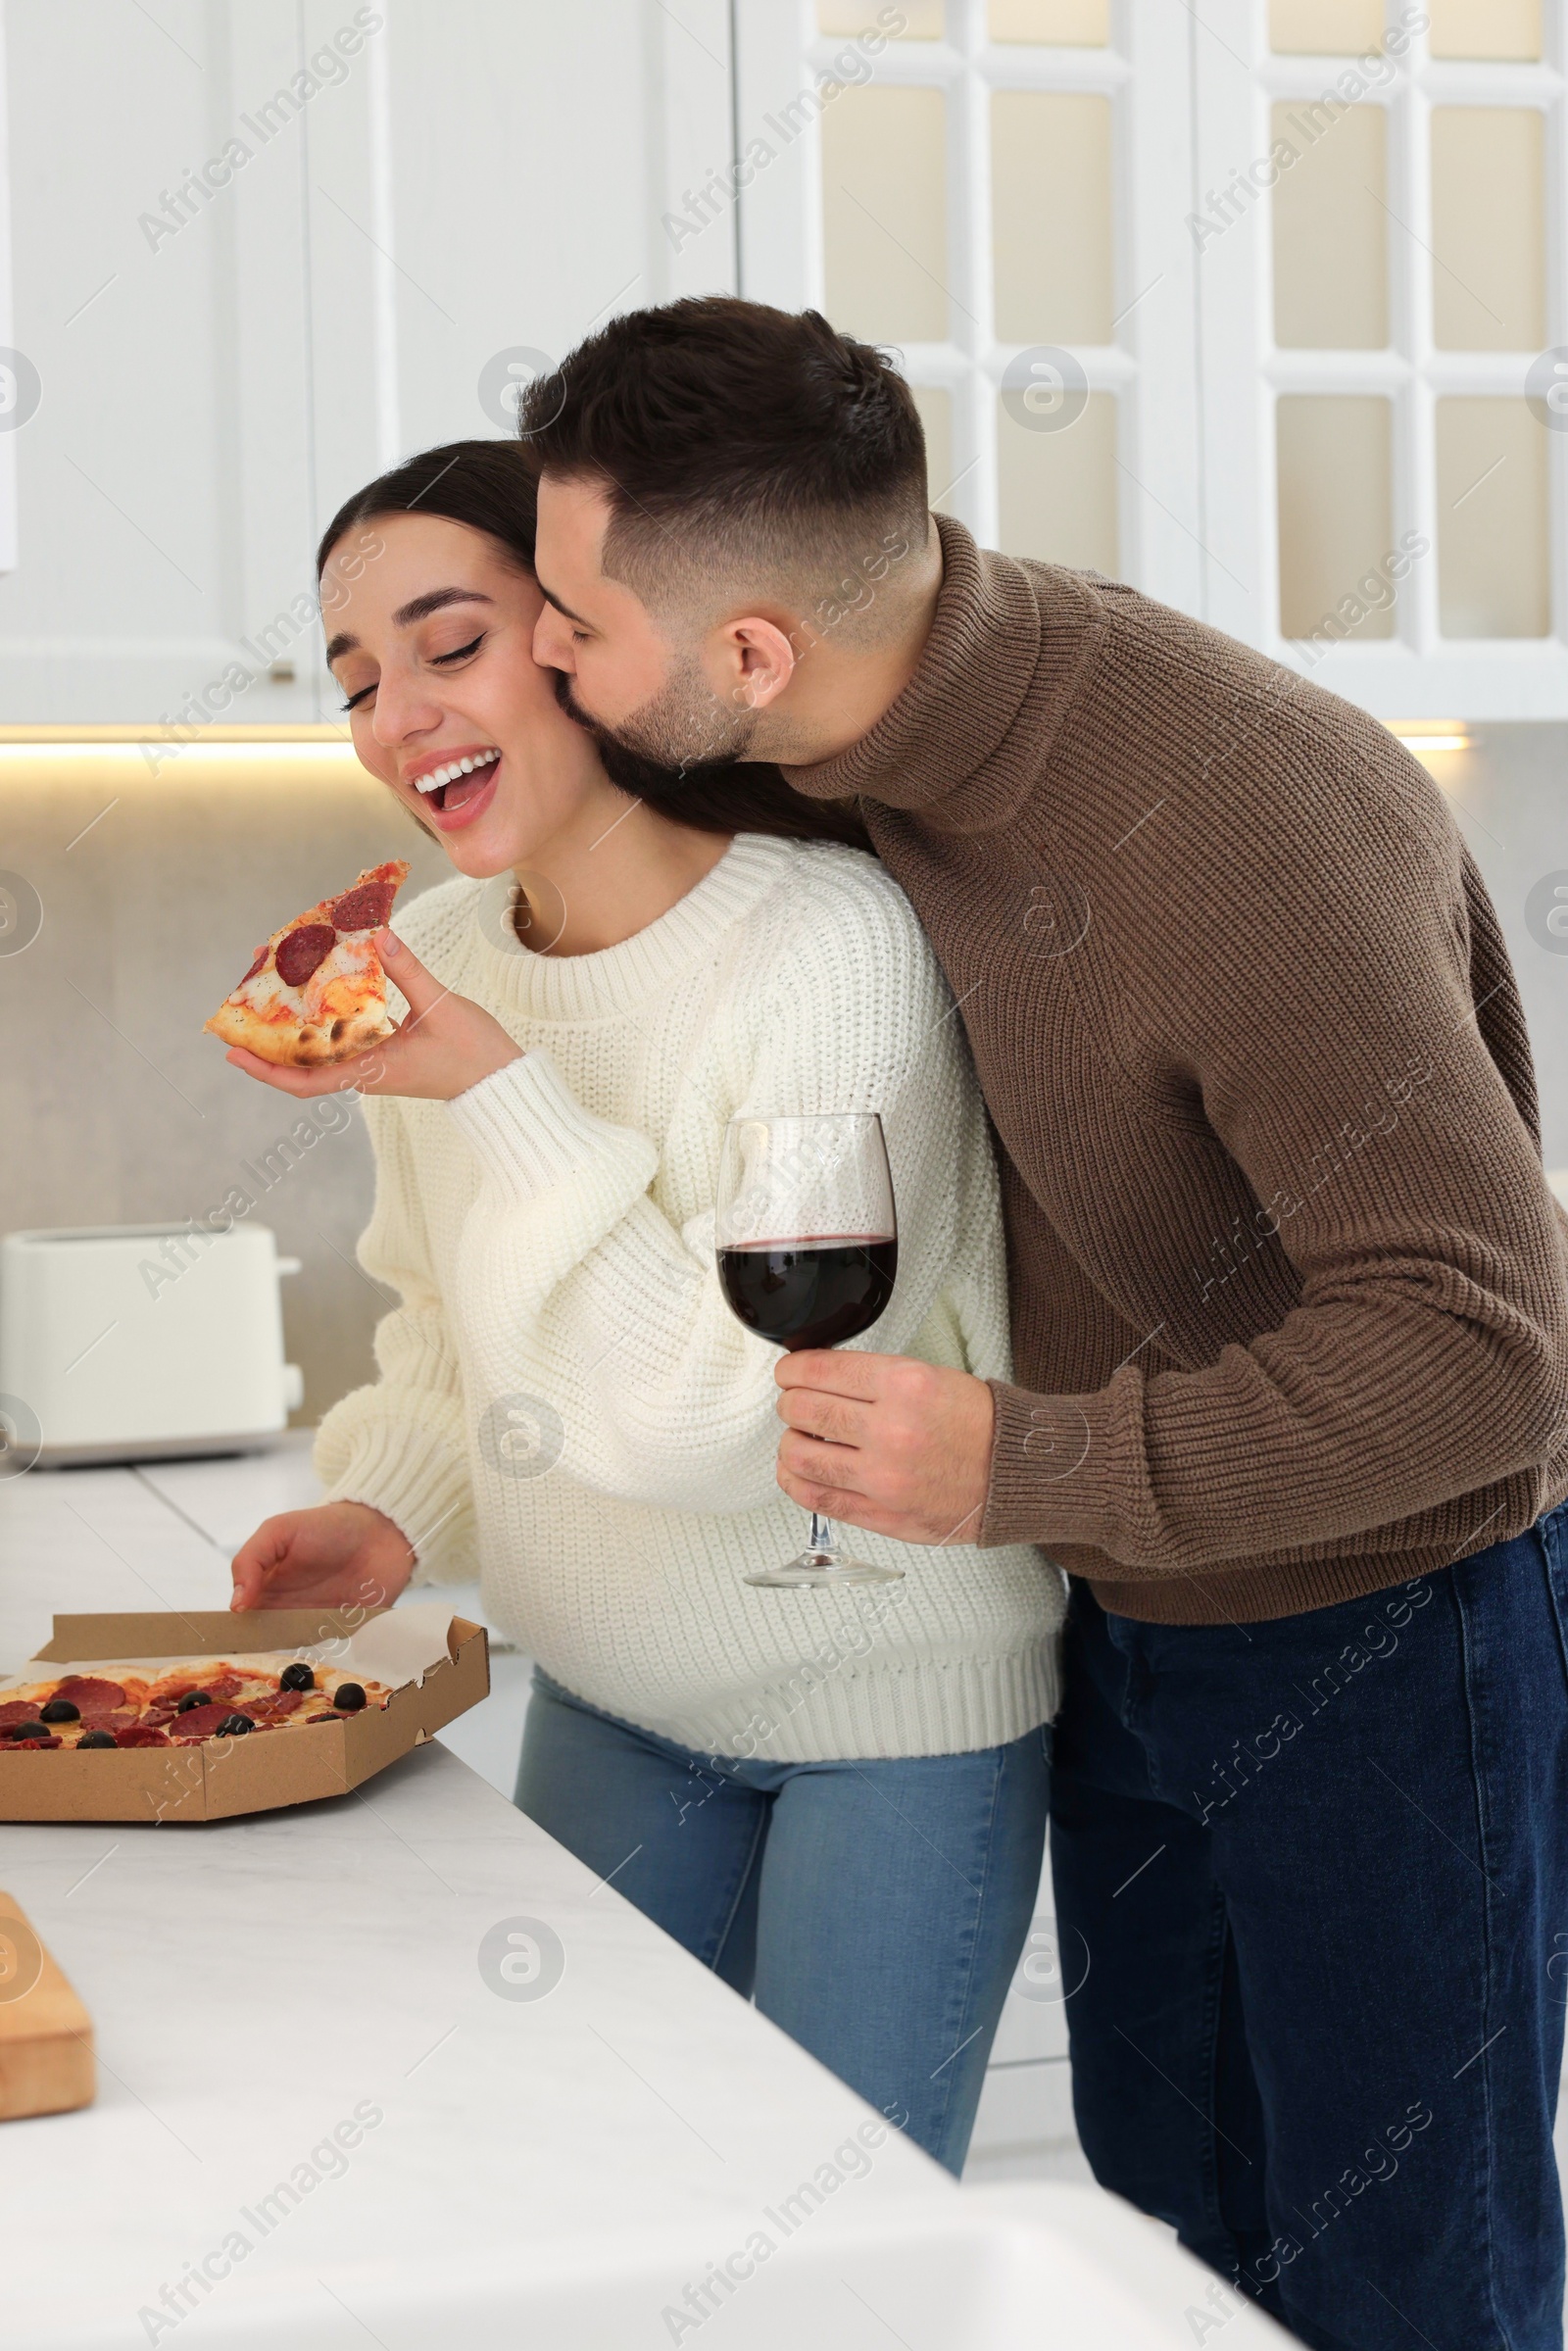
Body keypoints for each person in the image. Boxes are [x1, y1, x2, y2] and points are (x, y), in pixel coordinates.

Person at [517, 299, 1568, 2351]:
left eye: (568, 618)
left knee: (1401, 2280)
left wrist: (1021, 1462)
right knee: (1165, 2230)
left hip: (1385, 1634)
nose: (549, 651)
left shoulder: (1231, 816)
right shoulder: (848, 742)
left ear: (749, 651)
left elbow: (1488, 1342)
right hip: (1133, 1613)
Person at [221, 439, 1063, 2177]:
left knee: (835, 2264)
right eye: (360, 680)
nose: (398, 718)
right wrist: (393, 1508)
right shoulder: (431, 963)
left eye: (449, 647)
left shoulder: (827, 948)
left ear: (589, 641)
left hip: (879, 1718)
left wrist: (499, 1088)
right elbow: (444, 1327)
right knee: (574, 2209)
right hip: (606, 1690)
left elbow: (728, 1423)